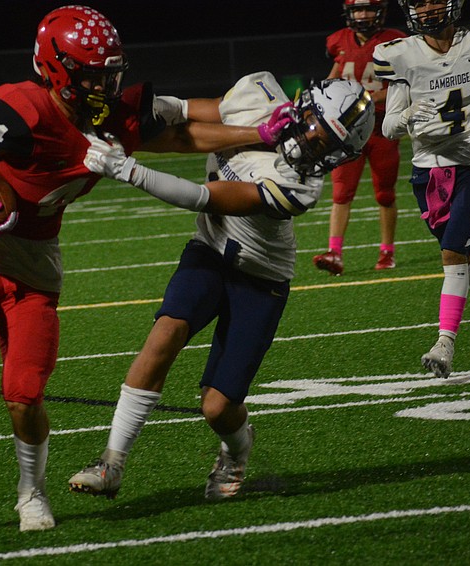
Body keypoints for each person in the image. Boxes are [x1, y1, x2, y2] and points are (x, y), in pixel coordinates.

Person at [0, 5, 284, 532]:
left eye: (111, 71)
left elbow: (181, 134)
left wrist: (258, 133)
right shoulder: (20, 110)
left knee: (23, 394)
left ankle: (31, 494)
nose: (106, 83)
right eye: (93, 73)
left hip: (35, 269)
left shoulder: (111, 117)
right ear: (58, 68)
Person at [68, 76, 375, 500]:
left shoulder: (301, 187)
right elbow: (186, 113)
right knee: (164, 334)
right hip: (210, 249)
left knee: (217, 407)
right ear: (302, 107)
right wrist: (139, 119)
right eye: (312, 129)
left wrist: (127, 168)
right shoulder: (258, 94)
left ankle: (236, 448)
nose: (311, 146)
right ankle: (111, 462)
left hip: (261, 276)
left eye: (326, 147)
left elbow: (204, 197)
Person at [374, 0, 470, 378]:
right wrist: (404, 117)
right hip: (429, 173)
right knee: (458, 250)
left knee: (453, 250)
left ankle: (444, 344)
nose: (427, 8)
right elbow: (388, 128)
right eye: (418, 2)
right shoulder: (401, 55)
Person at [313, 0, 407, 276]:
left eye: (368, 9)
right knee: (341, 193)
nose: (362, 15)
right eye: (357, 10)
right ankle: (335, 253)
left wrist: (361, 99)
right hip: (347, 133)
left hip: (381, 130)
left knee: (385, 193)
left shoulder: (395, 42)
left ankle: (387, 251)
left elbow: (403, 86)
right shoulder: (339, 41)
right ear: (349, 12)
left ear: (380, 12)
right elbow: (335, 75)